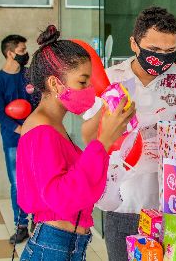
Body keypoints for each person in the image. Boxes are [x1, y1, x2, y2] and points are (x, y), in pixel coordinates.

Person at [82, 7, 176, 261]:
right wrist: (110, 111)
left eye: (169, 52)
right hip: (125, 202)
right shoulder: (111, 79)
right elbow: (89, 138)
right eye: (154, 50)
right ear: (134, 43)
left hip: (175, 207)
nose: (161, 58)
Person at [16, 25, 135, 260]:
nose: (89, 90)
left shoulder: (52, 124)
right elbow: (61, 197)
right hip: (53, 248)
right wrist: (103, 142)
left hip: (64, 245)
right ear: (54, 83)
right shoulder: (42, 130)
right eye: (83, 82)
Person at [0, 34, 32, 243]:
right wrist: (19, 128)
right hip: (13, 139)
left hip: (35, 136)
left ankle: (39, 221)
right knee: (18, 184)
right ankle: (21, 226)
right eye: (21, 51)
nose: (25, 54)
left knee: (37, 179)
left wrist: (34, 125)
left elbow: (38, 101)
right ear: (10, 53)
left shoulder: (28, 76)